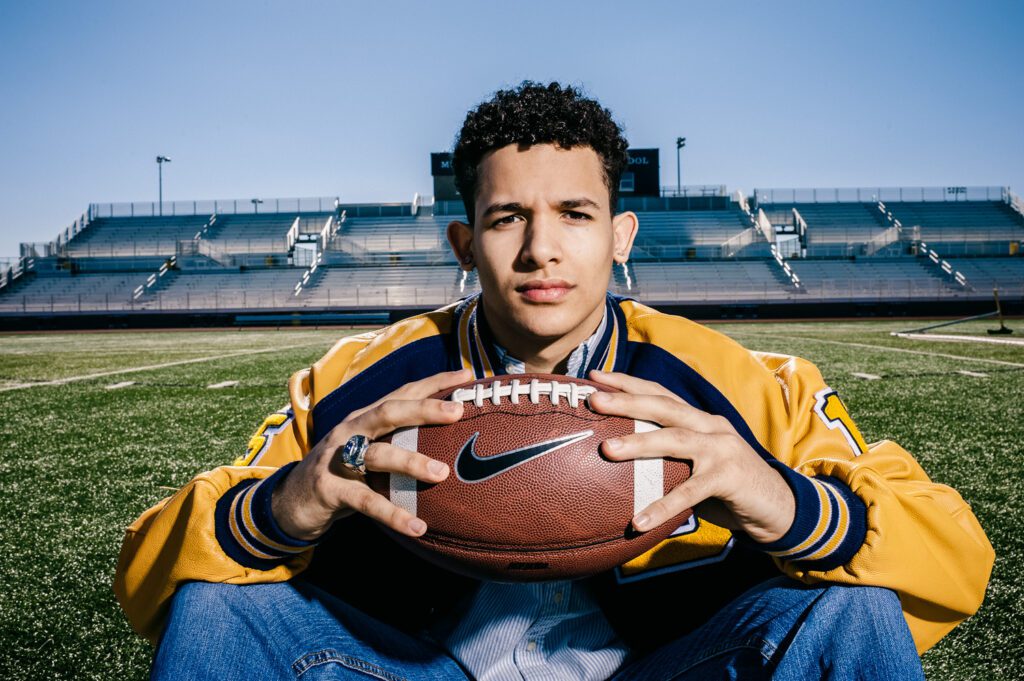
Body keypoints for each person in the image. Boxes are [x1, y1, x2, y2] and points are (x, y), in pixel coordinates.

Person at [114, 81, 994, 680]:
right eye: (507, 219)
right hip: (414, 668)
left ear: (621, 235)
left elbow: (956, 558)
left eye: (576, 214)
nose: (541, 250)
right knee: (217, 617)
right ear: (466, 246)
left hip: (658, 670)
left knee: (856, 617)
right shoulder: (358, 382)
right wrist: (287, 504)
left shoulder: (740, 382)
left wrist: (786, 500)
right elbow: (148, 575)